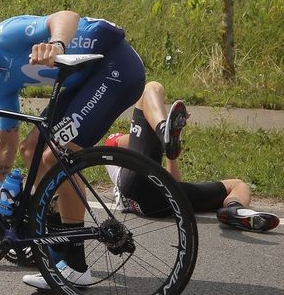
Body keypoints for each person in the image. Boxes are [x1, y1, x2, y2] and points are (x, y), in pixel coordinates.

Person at [0, 3, 145, 287]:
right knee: (31, 150)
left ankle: (74, 264)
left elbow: (67, 16)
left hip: (116, 68)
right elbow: (6, 145)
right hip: (86, 80)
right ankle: (60, 236)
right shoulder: (1, 81)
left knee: (55, 157)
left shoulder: (6, 35)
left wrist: (56, 44)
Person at [104, 81, 280, 232]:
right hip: (137, 187)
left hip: (155, 200)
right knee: (152, 87)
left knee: (237, 185)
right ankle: (164, 130)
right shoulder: (117, 140)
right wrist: (164, 133)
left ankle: (234, 211)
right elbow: (113, 145)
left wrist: (170, 146)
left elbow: (174, 186)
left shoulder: (135, 141)